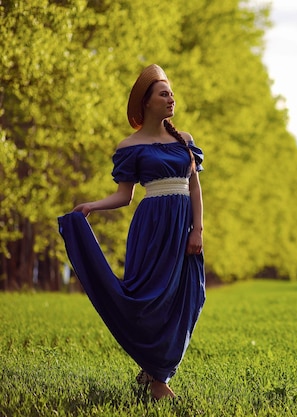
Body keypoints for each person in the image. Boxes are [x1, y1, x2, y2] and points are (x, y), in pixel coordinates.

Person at [58, 64, 206, 400]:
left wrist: (197, 229)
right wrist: (92, 206)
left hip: (182, 225)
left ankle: (156, 370)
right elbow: (125, 196)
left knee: (188, 297)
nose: (171, 98)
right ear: (147, 102)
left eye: (171, 93)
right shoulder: (130, 145)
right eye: (163, 93)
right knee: (147, 298)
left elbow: (195, 188)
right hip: (151, 227)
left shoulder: (185, 140)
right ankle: (158, 380)